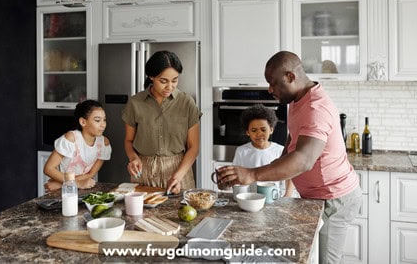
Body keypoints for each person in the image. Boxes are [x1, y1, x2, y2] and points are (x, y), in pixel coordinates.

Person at [217, 51, 362, 263]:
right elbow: (293, 137)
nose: (269, 89)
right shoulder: (297, 100)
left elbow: (304, 160)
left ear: (290, 77)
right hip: (315, 196)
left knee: (327, 261)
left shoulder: (316, 108)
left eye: (273, 83)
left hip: (334, 197)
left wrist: (252, 174)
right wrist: (277, 164)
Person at [122, 50, 202, 195]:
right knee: (142, 216)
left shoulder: (186, 102)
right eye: (163, 81)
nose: (170, 87)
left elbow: (193, 147)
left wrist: (177, 176)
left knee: (183, 214)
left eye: (175, 80)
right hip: (144, 171)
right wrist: (133, 158)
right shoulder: (135, 102)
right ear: (151, 77)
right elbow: (128, 141)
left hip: (179, 170)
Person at [43, 100, 112, 192]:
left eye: (104, 120)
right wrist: (76, 183)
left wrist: (61, 184)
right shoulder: (72, 138)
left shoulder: (104, 143)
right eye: (97, 120)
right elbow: (48, 168)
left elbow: (91, 174)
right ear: (83, 122)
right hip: (63, 192)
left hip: (83, 188)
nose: (103, 125)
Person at [232, 104, 297, 197]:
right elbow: (236, 177)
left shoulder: (280, 150)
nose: (259, 134)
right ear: (247, 132)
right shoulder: (241, 151)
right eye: (254, 130)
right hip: (249, 198)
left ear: (271, 129)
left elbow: (290, 175)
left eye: (263, 129)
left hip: (274, 198)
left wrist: (287, 194)